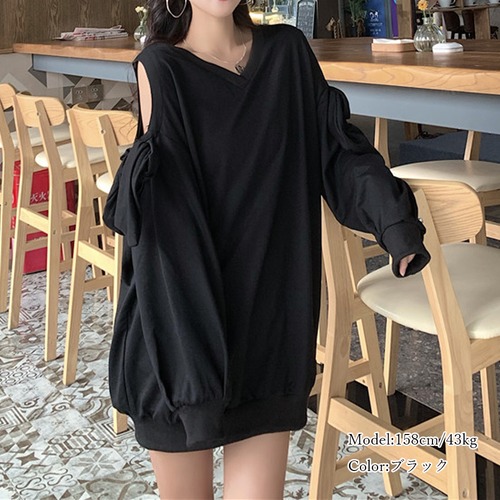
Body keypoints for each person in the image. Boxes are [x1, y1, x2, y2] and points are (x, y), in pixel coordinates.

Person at [103, 0, 430, 498]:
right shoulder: (160, 68)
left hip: (269, 333)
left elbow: (339, 152)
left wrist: (395, 223)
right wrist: (194, 382)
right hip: (179, 340)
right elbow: (169, 242)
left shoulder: (287, 54)